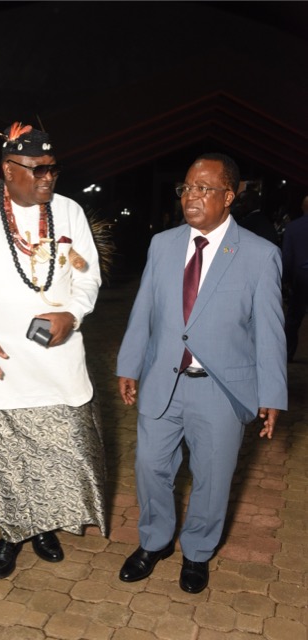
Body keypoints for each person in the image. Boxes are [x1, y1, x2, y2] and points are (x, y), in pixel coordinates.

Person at [0, 122, 107, 579]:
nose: (48, 177)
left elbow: (88, 276)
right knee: (5, 457)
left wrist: (73, 314)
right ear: (8, 170)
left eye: (53, 168)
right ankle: (12, 534)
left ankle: (44, 528)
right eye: (37, 169)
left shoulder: (68, 212)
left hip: (56, 361)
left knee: (59, 450)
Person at [116, 153, 287, 594]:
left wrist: (272, 394)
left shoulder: (259, 254)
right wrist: (129, 364)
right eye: (187, 187)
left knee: (212, 478)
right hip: (162, 379)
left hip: (221, 389)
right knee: (150, 467)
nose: (191, 196)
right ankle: (154, 542)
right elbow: (144, 309)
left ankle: (197, 551)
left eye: (204, 188)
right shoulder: (163, 244)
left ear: (229, 196)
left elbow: (270, 332)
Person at [282, 195, 308, 362]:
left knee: (293, 319)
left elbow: (288, 257)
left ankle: (288, 353)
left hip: (300, 278)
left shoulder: (293, 227)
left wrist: (285, 280)